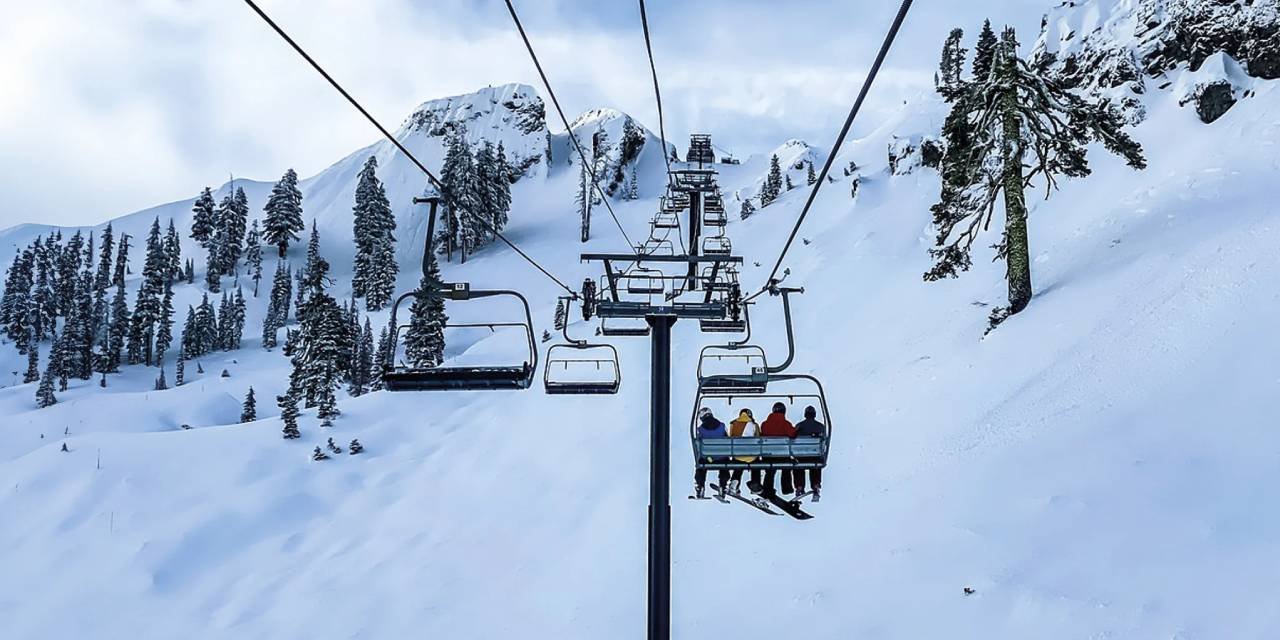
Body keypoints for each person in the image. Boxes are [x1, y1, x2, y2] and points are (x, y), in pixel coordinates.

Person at [759, 402, 796, 496]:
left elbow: (761, 435)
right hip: (783, 456)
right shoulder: (786, 424)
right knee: (786, 467)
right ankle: (786, 488)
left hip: (768, 456)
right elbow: (792, 434)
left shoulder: (764, 424)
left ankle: (767, 489)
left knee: (770, 471)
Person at [791, 405, 826, 500]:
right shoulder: (820, 427)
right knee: (816, 466)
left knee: (798, 467)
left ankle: (799, 486)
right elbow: (824, 441)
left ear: (805, 414)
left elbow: (793, 438)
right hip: (815, 455)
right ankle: (815, 485)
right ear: (814, 415)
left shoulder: (799, 426)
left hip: (801, 456)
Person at [693, 408, 728, 499]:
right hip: (721, 458)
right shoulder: (722, 426)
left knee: (701, 464)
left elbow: (698, 445)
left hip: (708, 459)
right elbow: (727, 440)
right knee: (725, 462)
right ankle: (723, 485)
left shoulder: (700, 429)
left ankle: (700, 486)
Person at [726, 408, 759, 495]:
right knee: (756, 462)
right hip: (751, 457)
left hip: (738, 455)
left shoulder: (733, 424)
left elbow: (731, 438)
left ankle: (734, 482)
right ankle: (755, 484)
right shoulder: (754, 425)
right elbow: (758, 439)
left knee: (738, 462)